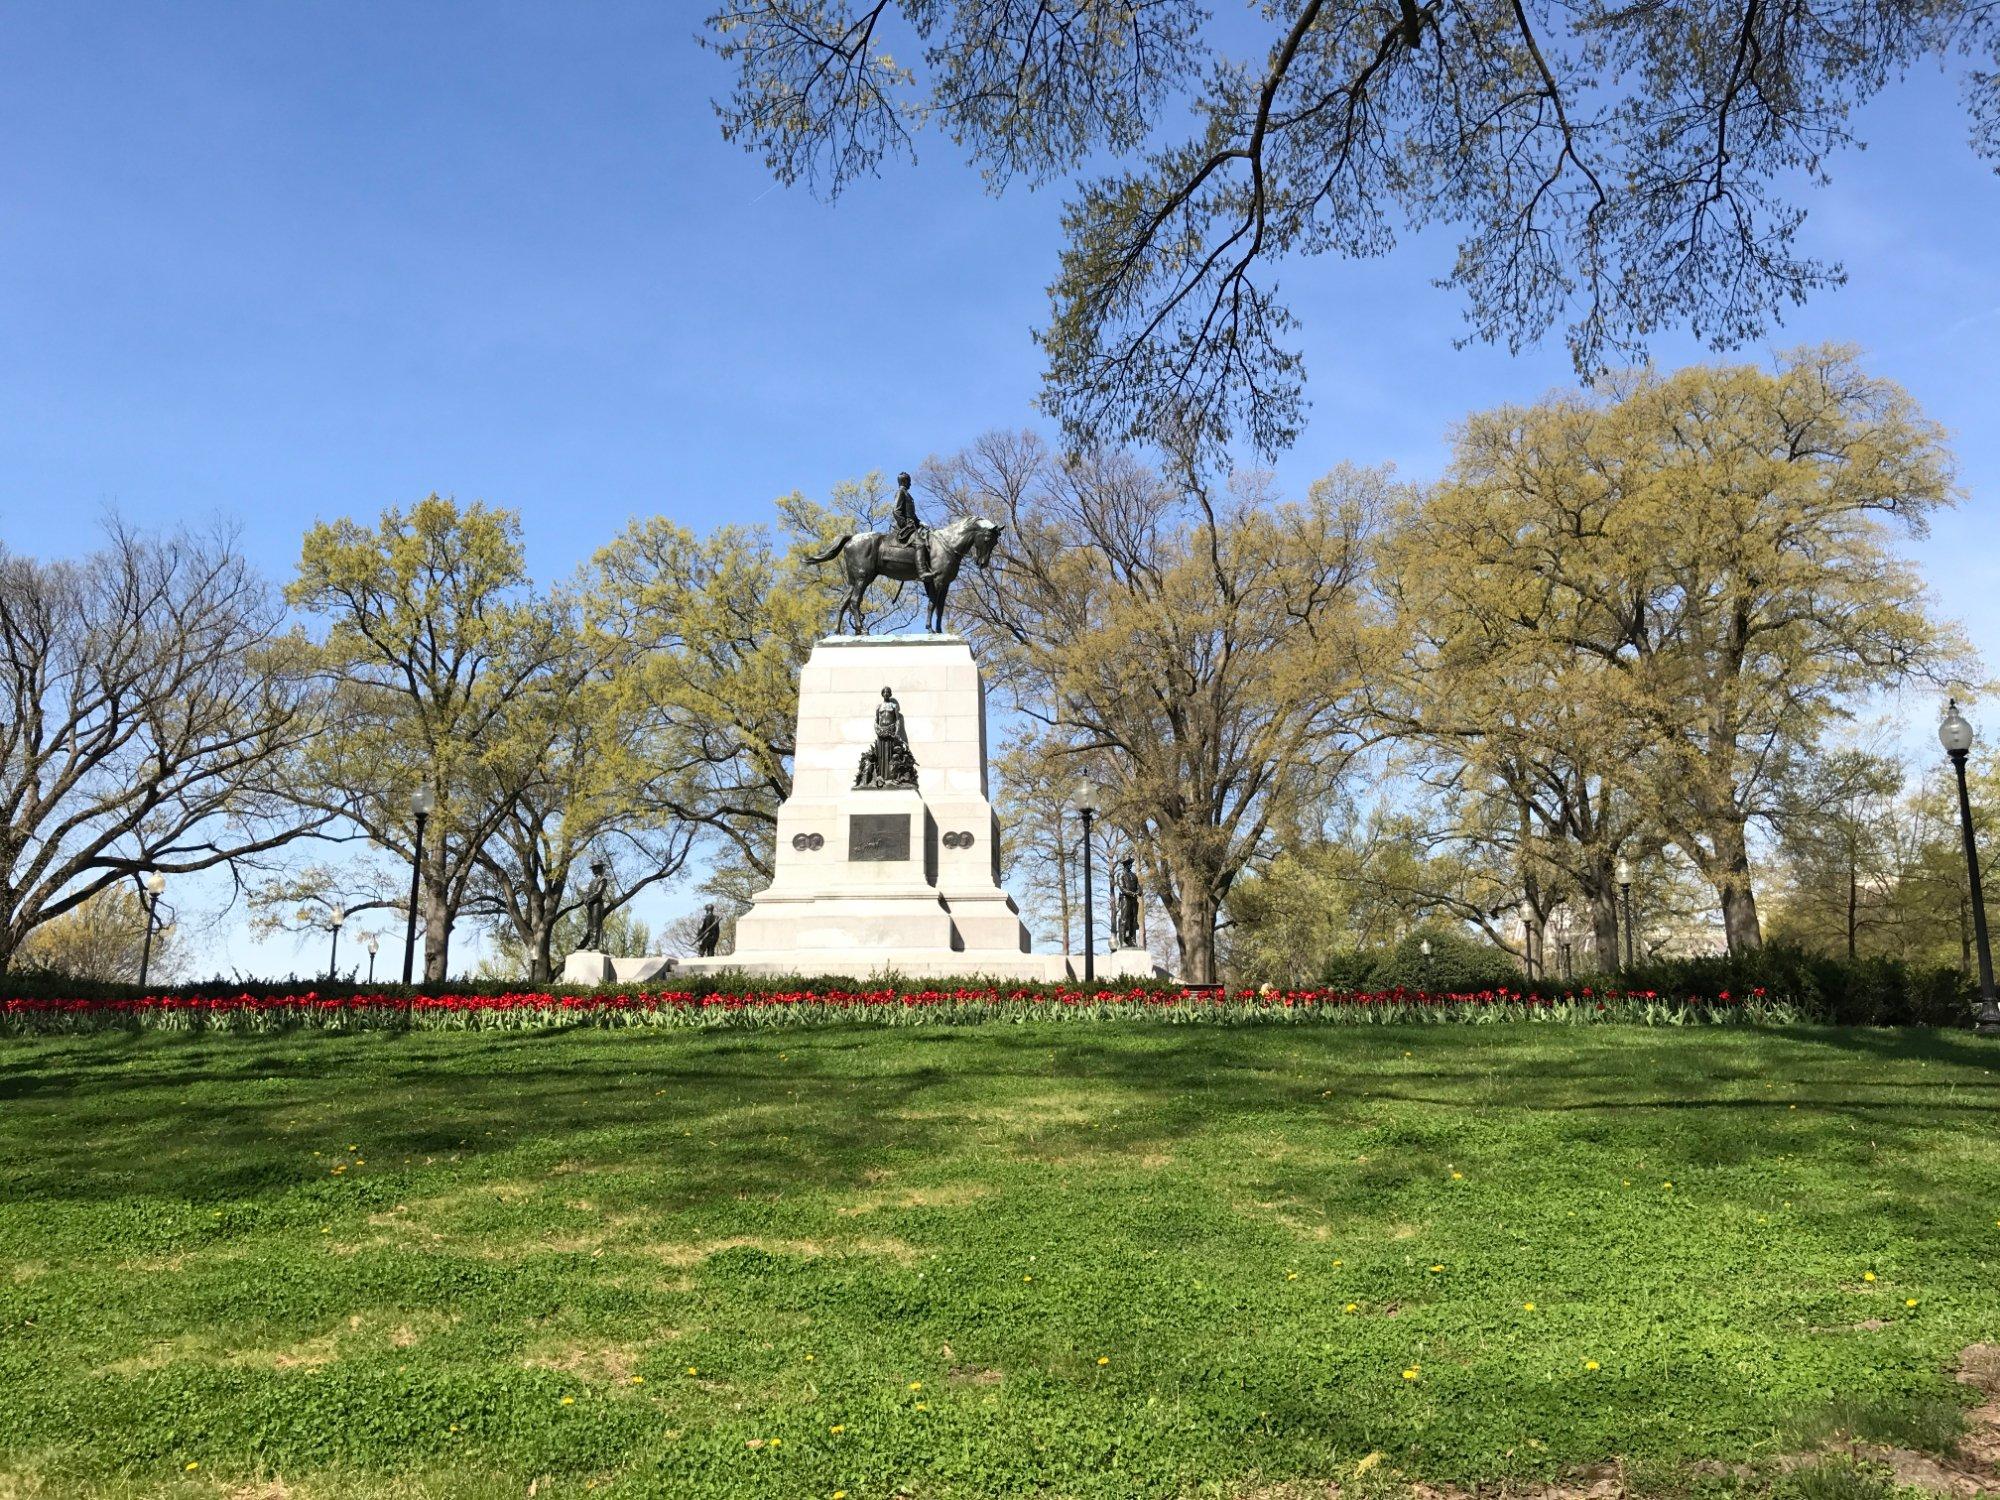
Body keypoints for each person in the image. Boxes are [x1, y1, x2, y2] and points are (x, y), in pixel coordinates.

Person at [890, 471, 939, 581]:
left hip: (913, 526)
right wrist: (905, 525)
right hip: (906, 528)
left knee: (930, 539)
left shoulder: (907, 494)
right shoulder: (901, 492)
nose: (911, 484)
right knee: (920, 543)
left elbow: (911, 515)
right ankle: (922, 572)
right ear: (904, 481)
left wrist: (920, 522)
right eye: (909, 481)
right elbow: (896, 511)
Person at [580, 860, 609, 951]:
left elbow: (599, 892)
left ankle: (594, 944)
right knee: (590, 925)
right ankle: (591, 943)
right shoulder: (592, 882)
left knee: (596, 925)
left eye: (595, 868)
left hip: (597, 904)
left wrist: (588, 899)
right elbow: (588, 892)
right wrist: (585, 898)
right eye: (593, 868)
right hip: (590, 905)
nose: (593, 870)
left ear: (600, 868)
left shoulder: (603, 879)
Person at [1114, 856, 1141, 949]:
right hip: (1125, 899)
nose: (1130, 865)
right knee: (1124, 920)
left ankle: (1133, 940)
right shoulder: (1120, 875)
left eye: (1131, 863)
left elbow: (1139, 887)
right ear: (1125, 864)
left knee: (1134, 920)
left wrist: (1138, 892)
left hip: (1134, 900)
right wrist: (1132, 893)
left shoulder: (1134, 875)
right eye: (1129, 863)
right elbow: (1122, 888)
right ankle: (1123, 941)